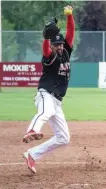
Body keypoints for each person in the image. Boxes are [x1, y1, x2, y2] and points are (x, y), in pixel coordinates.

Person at [22, 5, 75, 174]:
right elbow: (45, 49)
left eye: (60, 44)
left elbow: (71, 33)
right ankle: (33, 130)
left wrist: (69, 16)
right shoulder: (49, 56)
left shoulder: (65, 53)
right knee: (46, 111)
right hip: (45, 94)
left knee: (64, 138)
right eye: (56, 44)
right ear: (52, 46)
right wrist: (46, 38)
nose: (59, 47)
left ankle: (32, 154)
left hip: (57, 100)